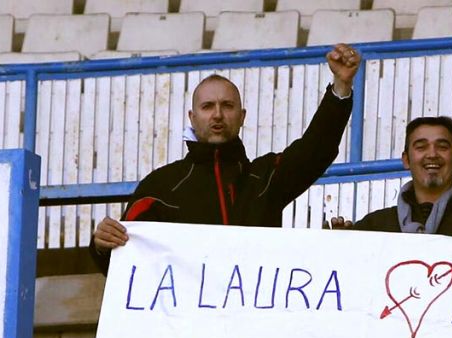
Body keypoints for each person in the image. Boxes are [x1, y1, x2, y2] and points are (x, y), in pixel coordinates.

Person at [90, 43, 361, 273]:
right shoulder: (160, 187)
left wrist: (341, 86)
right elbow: (122, 261)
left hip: (255, 317)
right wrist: (102, 245)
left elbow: (316, 148)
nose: (217, 114)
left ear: (242, 117)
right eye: (207, 106)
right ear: (192, 118)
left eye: (227, 106)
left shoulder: (266, 177)